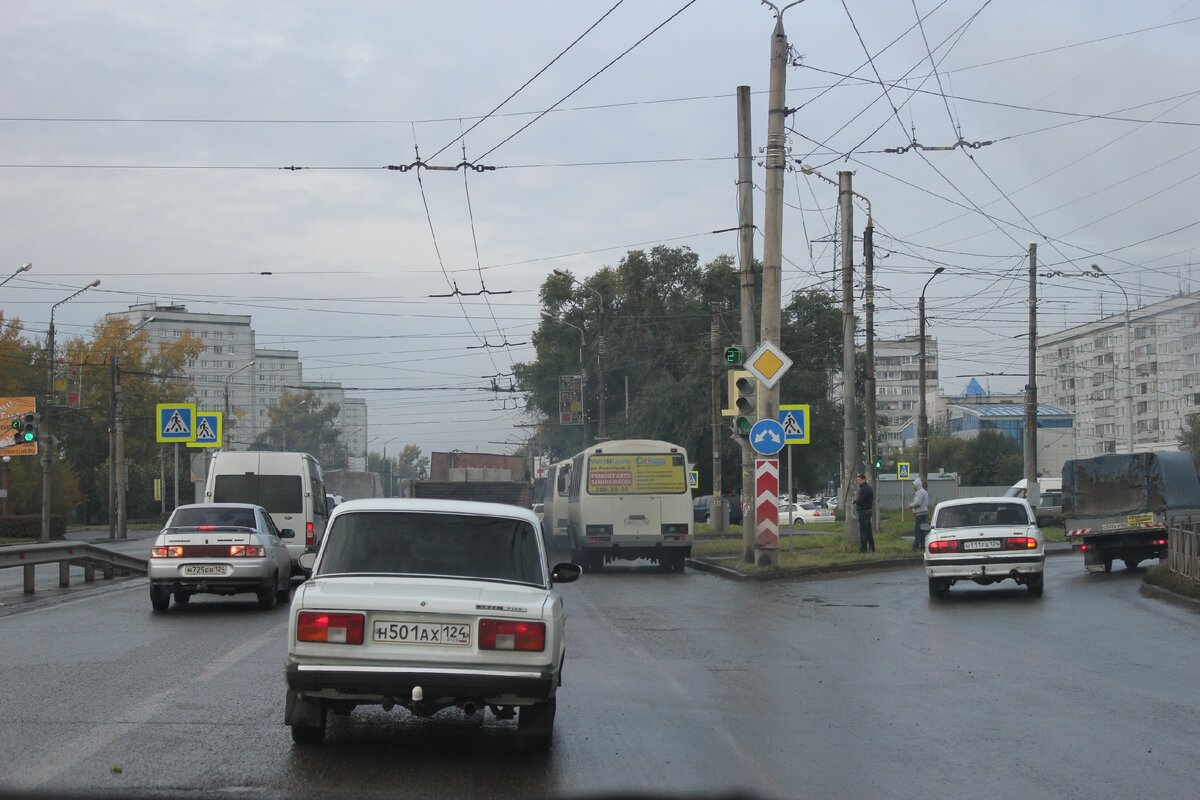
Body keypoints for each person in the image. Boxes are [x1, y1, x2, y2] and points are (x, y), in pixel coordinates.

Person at [853, 473, 875, 553]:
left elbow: (861, 500)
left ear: (863, 480)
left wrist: (854, 501)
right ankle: (872, 548)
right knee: (868, 531)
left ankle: (863, 549)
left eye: (859, 480)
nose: (857, 481)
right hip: (868, 511)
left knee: (863, 531)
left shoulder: (863, 489)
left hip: (863, 512)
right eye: (857, 480)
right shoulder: (869, 488)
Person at [910, 477, 930, 551]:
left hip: (920, 514)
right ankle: (922, 546)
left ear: (917, 485)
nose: (912, 487)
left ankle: (915, 547)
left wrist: (910, 505)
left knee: (918, 531)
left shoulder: (920, 492)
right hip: (923, 513)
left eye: (913, 485)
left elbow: (918, 503)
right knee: (922, 530)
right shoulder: (924, 491)